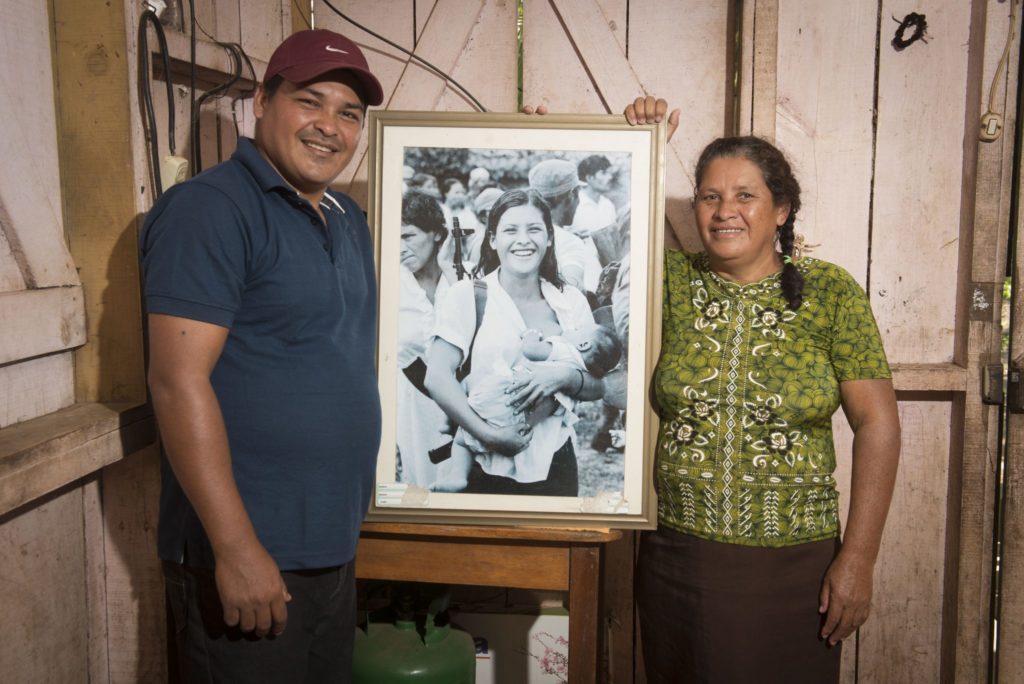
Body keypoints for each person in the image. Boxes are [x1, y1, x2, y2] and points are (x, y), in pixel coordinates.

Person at [625, 96, 901, 684]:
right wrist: (622, 145)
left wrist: (858, 558)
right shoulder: (665, 281)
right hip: (677, 561)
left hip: (796, 571)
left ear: (781, 210)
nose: (725, 211)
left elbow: (878, 424)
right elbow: (582, 239)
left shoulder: (831, 293)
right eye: (710, 196)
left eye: (745, 195)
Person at [140, 29, 384, 682]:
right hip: (251, 556)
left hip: (329, 549)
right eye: (310, 101)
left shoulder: (347, 218)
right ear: (262, 101)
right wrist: (237, 549)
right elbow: (176, 382)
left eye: (349, 113)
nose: (329, 126)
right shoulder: (211, 209)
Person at [424, 189, 605, 496]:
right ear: (493, 240)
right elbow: (437, 377)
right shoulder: (468, 295)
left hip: (555, 463)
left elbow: (598, 386)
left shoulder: (571, 300)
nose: (523, 240)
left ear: (549, 238)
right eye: (511, 230)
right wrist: (489, 435)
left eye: (534, 229)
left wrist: (564, 377)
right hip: (481, 463)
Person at [432, 322, 621, 492]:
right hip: (525, 421)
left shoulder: (564, 348)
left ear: (584, 344)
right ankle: (458, 475)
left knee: (468, 386)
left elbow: (531, 350)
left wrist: (532, 335)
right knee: (466, 439)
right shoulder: (584, 367)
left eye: (577, 329)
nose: (572, 329)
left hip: (507, 392)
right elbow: (601, 385)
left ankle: (450, 440)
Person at [396, 190, 456, 488]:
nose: (400, 247)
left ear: (437, 233)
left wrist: (451, 269)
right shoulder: (389, 283)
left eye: (408, 236)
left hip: (463, 405)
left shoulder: (462, 276)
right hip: (412, 407)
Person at [527, 159, 602, 293]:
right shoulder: (570, 242)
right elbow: (573, 292)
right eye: (578, 194)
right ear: (572, 195)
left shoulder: (522, 235)